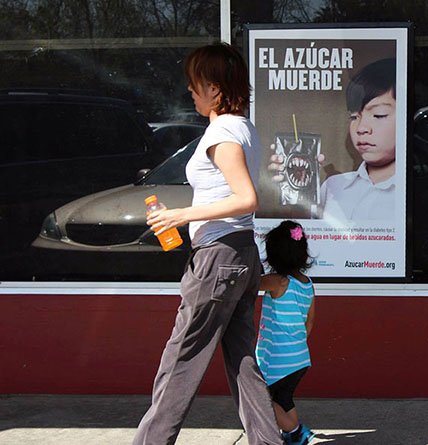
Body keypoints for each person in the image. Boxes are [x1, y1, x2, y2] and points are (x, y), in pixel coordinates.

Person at [133, 43, 282, 445]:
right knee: (243, 362)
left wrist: (179, 216)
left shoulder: (223, 131)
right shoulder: (244, 127)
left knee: (180, 359)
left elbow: (246, 198)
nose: (190, 92)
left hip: (218, 261)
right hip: (239, 256)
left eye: (195, 84)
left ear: (214, 89)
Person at [270, 57, 397, 222]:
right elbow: (305, 235)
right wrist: (299, 187)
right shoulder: (333, 187)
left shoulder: (415, 190)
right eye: (354, 117)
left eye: (379, 115)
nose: (361, 128)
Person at [257, 220, 317, 445]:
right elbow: (309, 322)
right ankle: (292, 437)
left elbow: (250, 284)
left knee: (258, 399)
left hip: (277, 361)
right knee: (283, 400)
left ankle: (298, 431)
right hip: (299, 358)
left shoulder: (278, 282)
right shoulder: (307, 284)